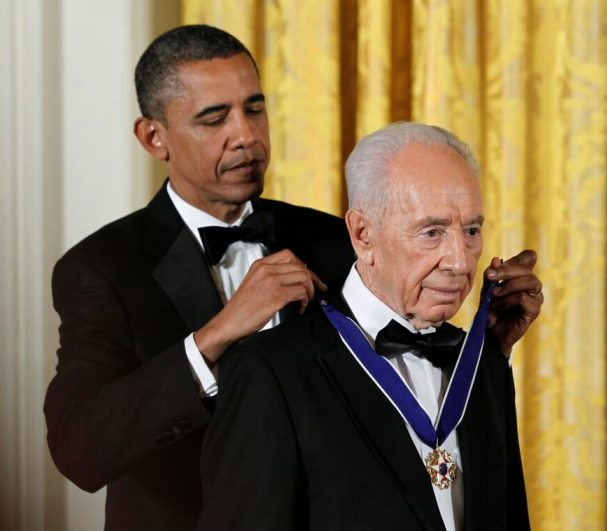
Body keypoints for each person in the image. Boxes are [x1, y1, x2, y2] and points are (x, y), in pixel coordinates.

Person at [43, 25, 354, 530]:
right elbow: (80, 448)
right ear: (153, 137)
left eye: (254, 109)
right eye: (214, 119)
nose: (247, 136)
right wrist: (217, 334)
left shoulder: (333, 240)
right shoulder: (100, 268)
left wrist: (483, 348)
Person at [198, 122, 542, 531]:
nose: (461, 261)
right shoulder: (272, 371)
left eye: (470, 231)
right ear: (363, 234)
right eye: (432, 232)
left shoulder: (482, 362)